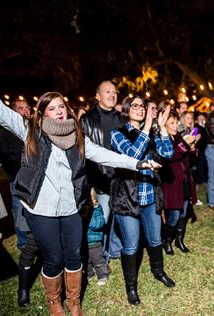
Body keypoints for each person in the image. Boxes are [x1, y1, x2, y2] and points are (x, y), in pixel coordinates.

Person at [0, 53, 158, 316]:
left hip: (70, 208)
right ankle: (54, 302)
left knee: (73, 257)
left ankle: (74, 302)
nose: (58, 112)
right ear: (43, 112)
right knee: (53, 258)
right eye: (52, 108)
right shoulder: (30, 131)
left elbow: (106, 155)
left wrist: (137, 164)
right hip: (41, 209)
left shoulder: (78, 135)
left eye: (61, 107)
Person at [110, 96, 175, 305]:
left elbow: (168, 153)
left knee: (155, 239)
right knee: (131, 246)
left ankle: (158, 272)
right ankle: (131, 287)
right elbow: (134, 156)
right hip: (127, 199)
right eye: (135, 106)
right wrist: (147, 127)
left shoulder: (151, 131)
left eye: (142, 106)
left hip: (150, 195)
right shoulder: (117, 134)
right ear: (127, 110)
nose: (140, 109)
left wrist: (162, 128)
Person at [80, 80, 123, 275]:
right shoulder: (87, 119)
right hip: (100, 179)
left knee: (119, 217)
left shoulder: (122, 118)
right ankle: (99, 258)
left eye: (114, 92)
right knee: (101, 220)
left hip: (122, 178)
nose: (112, 95)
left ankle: (115, 251)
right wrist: (90, 184)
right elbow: (84, 155)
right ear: (98, 96)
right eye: (108, 92)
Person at [161, 111, 197, 255]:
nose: (176, 126)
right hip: (172, 183)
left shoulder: (179, 137)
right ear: (164, 125)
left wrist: (192, 149)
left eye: (176, 122)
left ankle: (179, 240)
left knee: (183, 214)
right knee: (174, 215)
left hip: (185, 181)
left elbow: (187, 157)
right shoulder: (162, 139)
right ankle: (167, 241)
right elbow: (172, 156)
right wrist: (185, 145)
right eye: (172, 123)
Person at [0, 99, 31, 249]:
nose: (25, 111)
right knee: (19, 210)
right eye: (21, 108)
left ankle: (35, 239)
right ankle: (23, 243)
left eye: (27, 108)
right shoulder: (7, 131)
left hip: (34, 177)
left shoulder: (33, 127)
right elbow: (4, 156)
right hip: (17, 178)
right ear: (14, 111)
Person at [86, 190, 108, 286]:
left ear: (94, 201)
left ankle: (103, 275)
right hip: (85, 242)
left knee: (98, 260)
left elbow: (99, 224)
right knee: (87, 261)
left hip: (94, 242)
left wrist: (88, 219)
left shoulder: (97, 210)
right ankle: (89, 274)